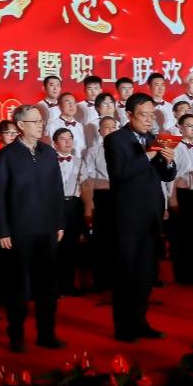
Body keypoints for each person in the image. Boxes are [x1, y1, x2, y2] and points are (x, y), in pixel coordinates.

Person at [0, 104, 66, 352]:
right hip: (18, 230)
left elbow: (57, 190)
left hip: (47, 228)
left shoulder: (48, 153)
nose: (40, 125)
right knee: (18, 286)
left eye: (41, 121)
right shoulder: (5, 157)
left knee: (48, 285)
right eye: (35, 121)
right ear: (21, 125)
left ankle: (47, 333)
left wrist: (59, 222)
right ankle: (16, 334)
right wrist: (3, 230)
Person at [104, 93, 176, 342]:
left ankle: (140, 321)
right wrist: (148, 155)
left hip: (151, 217)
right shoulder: (115, 140)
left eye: (151, 115)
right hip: (127, 218)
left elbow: (166, 176)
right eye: (143, 115)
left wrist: (168, 161)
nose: (148, 120)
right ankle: (123, 327)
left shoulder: (153, 139)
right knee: (126, 274)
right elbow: (121, 173)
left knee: (146, 275)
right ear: (129, 114)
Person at [168, 113, 193, 285]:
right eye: (189, 125)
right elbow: (169, 178)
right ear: (180, 128)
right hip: (182, 196)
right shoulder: (174, 147)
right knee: (181, 237)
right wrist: (172, 199)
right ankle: (182, 274)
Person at [81, 115, 118, 293]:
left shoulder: (125, 150)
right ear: (100, 131)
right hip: (102, 198)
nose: (110, 130)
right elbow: (88, 179)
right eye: (107, 127)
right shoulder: (93, 151)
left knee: (119, 239)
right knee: (102, 240)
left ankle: (118, 279)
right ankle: (100, 281)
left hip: (121, 197)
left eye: (113, 127)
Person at [51, 126, 86, 296]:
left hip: (73, 205)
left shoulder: (79, 161)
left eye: (70, 138)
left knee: (72, 247)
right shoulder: (49, 161)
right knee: (55, 247)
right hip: (55, 205)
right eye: (63, 139)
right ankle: (54, 287)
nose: (68, 142)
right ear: (55, 143)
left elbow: (84, 186)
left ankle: (69, 285)